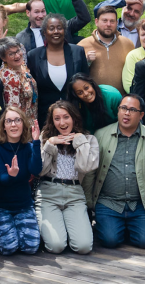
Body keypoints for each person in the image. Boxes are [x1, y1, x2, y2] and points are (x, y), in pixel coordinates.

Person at [83, 93, 145, 249]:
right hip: (108, 202)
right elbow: (91, 172)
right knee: (109, 241)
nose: (127, 113)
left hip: (139, 203)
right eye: (123, 108)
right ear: (118, 111)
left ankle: (127, 227)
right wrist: (89, 202)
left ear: (141, 115)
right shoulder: (101, 135)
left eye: (132, 110)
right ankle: (116, 226)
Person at [36, 101, 98, 254]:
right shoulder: (44, 137)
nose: (62, 123)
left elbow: (85, 167)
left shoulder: (89, 140)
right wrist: (50, 144)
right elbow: (40, 170)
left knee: (83, 247)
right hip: (48, 194)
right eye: (57, 118)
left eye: (66, 117)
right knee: (56, 247)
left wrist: (79, 141)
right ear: (52, 121)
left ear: (74, 118)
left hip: (74, 195)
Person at [0, 108, 42, 255]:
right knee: (9, 248)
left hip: (23, 206)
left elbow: (36, 170)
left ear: (23, 124)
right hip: (0, 207)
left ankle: (15, 227)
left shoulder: (29, 147)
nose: (13, 125)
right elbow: (3, 179)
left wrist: (36, 142)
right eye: (9, 121)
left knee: (30, 247)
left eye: (17, 120)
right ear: (3, 126)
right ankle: (4, 230)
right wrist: (11, 175)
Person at [26, 13, 89, 127]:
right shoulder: (33, 56)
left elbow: (86, 82)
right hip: (46, 118)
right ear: (44, 32)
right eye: (51, 28)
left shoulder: (77, 52)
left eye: (59, 28)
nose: (56, 31)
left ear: (64, 31)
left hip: (74, 116)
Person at [78, 5, 134, 94]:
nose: (108, 24)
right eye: (104, 21)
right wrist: (86, 61)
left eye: (112, 21)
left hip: (122, 101)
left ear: (116, 23)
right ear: (96, 22)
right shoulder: (82, 45)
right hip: (95, 101)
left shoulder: (128, 44)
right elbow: (75, 75)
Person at [0, 37, 38, 121]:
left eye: (18, 50)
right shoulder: (10, 78)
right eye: (11, 54)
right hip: (21, 125)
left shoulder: (22, 66)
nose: (17, 55)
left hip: (31, 120)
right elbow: (14, 112)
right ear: (3, 58)